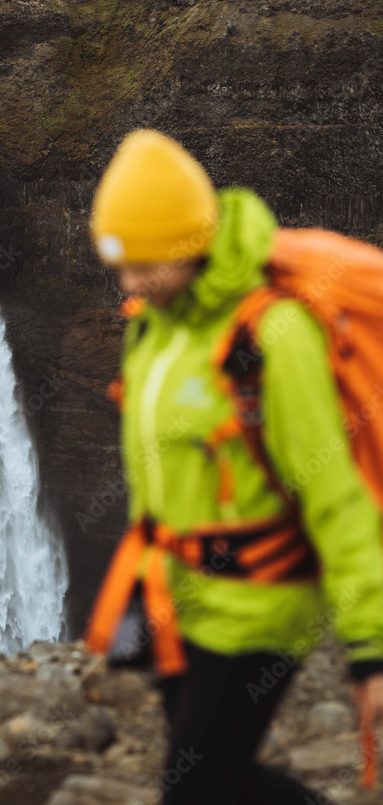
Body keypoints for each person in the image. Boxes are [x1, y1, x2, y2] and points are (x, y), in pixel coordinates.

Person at [86, 128, 383, 804]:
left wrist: (370, 645)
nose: (127, 283)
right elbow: (156, 473)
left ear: (189, 245)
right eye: (118, 263)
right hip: (173, 598)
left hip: (259, 603)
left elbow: (333, 493)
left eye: (144, 264)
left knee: (191, 787)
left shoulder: (270, 335)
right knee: (220, 780)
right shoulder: (150, 328)